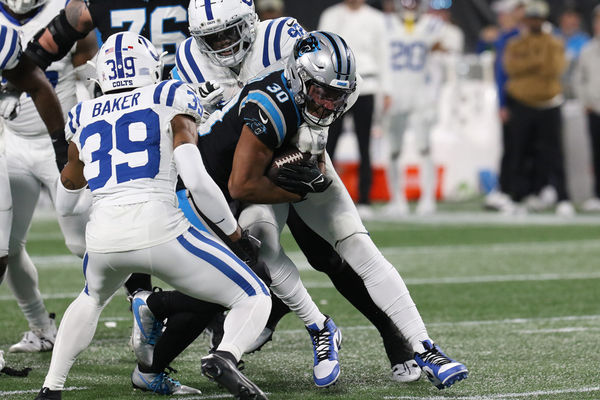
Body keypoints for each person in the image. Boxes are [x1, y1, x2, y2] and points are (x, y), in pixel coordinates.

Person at [165, 29, 467, 390]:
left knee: (357, 245)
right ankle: (318, 326)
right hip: (232, 182)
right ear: (300, 79)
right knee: (260, 248)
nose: (329, 103)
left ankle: (425, 346)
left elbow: (314, 137)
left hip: (278, 160)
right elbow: (241, 184)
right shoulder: (268, 105)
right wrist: (299, 190)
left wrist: (315, 171)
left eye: (337, 95)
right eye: (322, 93)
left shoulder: (335, 92)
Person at [34, 31, 271, 400]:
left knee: (90, 298)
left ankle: (51, 388)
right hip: (163, 230)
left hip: (104, 237)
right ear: (151, 65)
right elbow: (195, 179)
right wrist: (235, 235)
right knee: (255, 294)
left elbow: (67, 199)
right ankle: (224, 356)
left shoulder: (81, 115)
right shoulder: (171, 94)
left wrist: (87, 233)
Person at [24, 0, 193, 297]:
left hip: (116, 109)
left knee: (126, 199)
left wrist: (18, 73)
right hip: (179, 102)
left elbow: (41, 50)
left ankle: (142, 296)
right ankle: (193, 304)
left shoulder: (96, 5)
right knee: (197, 193)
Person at [0, 0, 98, 354]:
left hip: (67, 143)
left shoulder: (68, 11)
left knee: (86, 242)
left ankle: (144, 314)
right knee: (5, 247)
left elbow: (91, 75)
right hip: (13, 143)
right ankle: (41, 328)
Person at [0, 22, 66, 288]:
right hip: (14, 147)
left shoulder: (3, 40)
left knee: (2, 255)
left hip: (26, 147)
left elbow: (38, 86)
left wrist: (61, 150)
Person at [318, 0, 392, 217]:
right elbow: (322, 49)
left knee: (365, 144)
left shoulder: (377, 19)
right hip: (334, 88)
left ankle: (365, 199)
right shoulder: (331, 15)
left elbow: (383, 55)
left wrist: (387, 89)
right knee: (328, 143)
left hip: (367, 85)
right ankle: (322, 195)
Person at [504, 0, 574, 216]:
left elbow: (554, 68)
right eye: (531, 18)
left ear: (543, 20)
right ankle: (518, 197)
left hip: (549, 102)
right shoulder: (515, 43)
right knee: (519, 152)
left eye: (538, 18)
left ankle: (562, 197)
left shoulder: (554, 42)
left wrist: (530, 64)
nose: (534, 22)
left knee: (554, 154)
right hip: (523, 102)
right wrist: (536, 63)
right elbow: (511, 67)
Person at [381, 0, 446, 217]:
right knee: (393, 149)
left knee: (424, 147)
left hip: (420, 93)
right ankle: (396, 199)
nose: (409, 6)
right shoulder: (385, 24)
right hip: (395, 93)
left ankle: (428, 198)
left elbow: (439, 65)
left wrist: (434, 97)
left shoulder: (433, 25)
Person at [483, 0, 525, 213]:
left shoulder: (520, 37)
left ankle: (515, 192)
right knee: (509, 146)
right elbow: (499, 75)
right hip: (508, 98)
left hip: (521, 98)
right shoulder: (503, 38)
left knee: (518, 147)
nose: (501, 18)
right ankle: (507, 190)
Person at [573, 5, 600, 212]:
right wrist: (586, 102)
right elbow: (578, 80)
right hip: (595, 109)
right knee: (597, 153)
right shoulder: (587, 49)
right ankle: (597, 194)